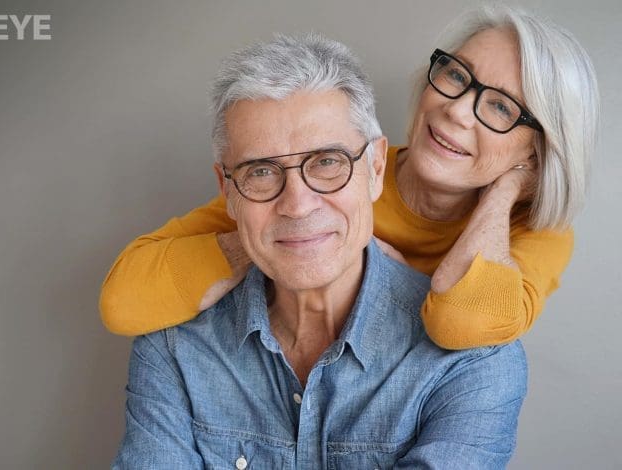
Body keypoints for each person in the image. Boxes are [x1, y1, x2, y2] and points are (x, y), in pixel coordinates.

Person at [113, 33, 527, 469]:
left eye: (328, 162)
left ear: (375, 168)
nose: (296, 205)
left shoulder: (474, 365)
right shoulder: (173, 348)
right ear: (228, 193)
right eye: (261, 171)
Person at [99, 4, 599, 349]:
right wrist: (277, 237)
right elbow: (124, 300)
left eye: (500, 107)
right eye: (456, 76)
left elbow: (464, 321)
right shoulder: (336, 170)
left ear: (537, 149)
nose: (457, 111)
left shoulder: (533, 232)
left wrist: (506, 188)